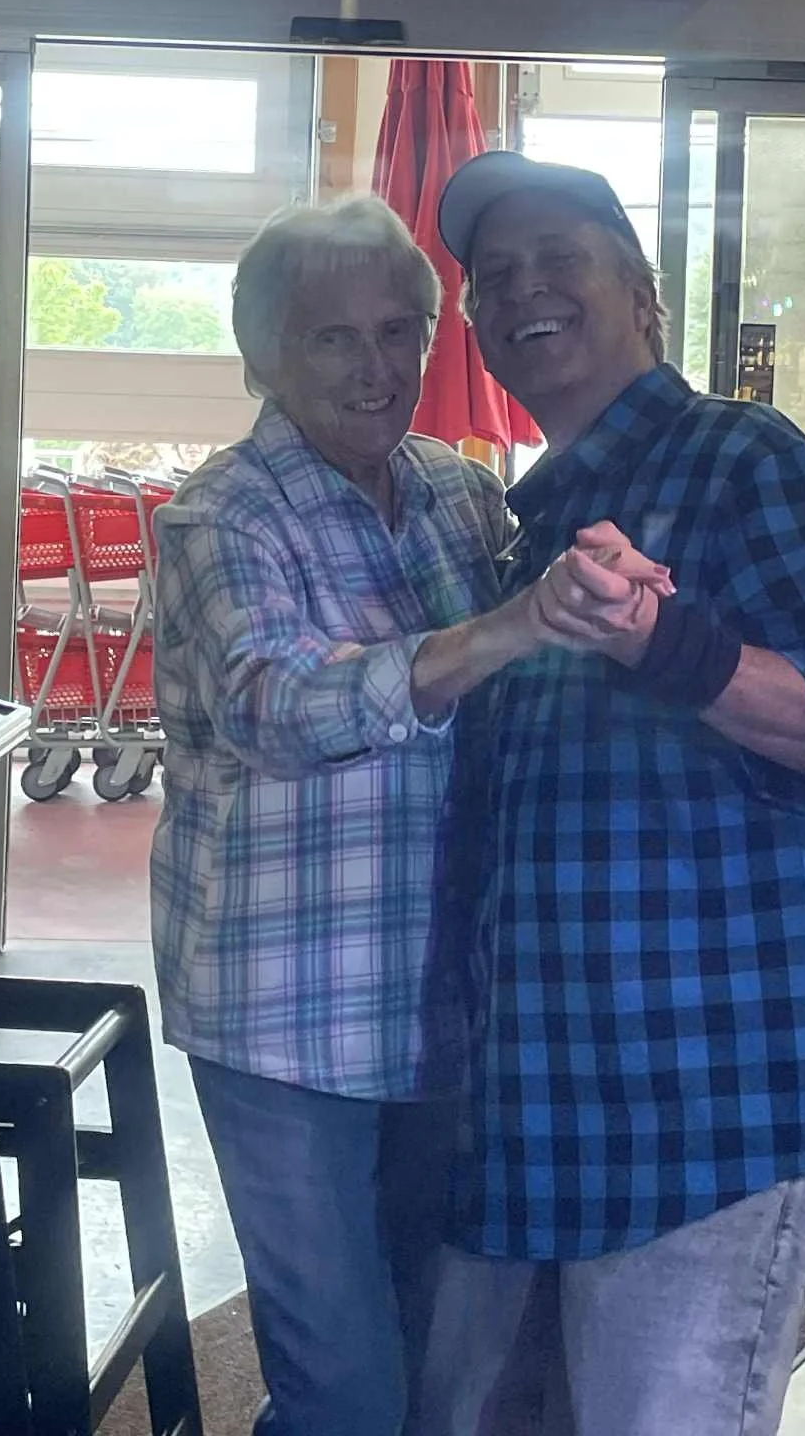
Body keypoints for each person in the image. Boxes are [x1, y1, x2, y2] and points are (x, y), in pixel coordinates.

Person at [418, 151, 805, 1436]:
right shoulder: (530, 517)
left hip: (709, 1094)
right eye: (495, 279)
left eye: (560, 260)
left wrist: (665, 641)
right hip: (545, 1088)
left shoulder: (742, 458)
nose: (525, 291)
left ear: (643, 297)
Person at [150, 197, 559, 1436]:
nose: (377, 368)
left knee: (438, 1360)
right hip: (284, 1015)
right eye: (335, 339)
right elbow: (271, 700)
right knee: (346, 1387)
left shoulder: (460, 494)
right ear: (266, 351)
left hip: (442, 999)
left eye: (401, 330)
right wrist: (491, 635)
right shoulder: (223, 512)